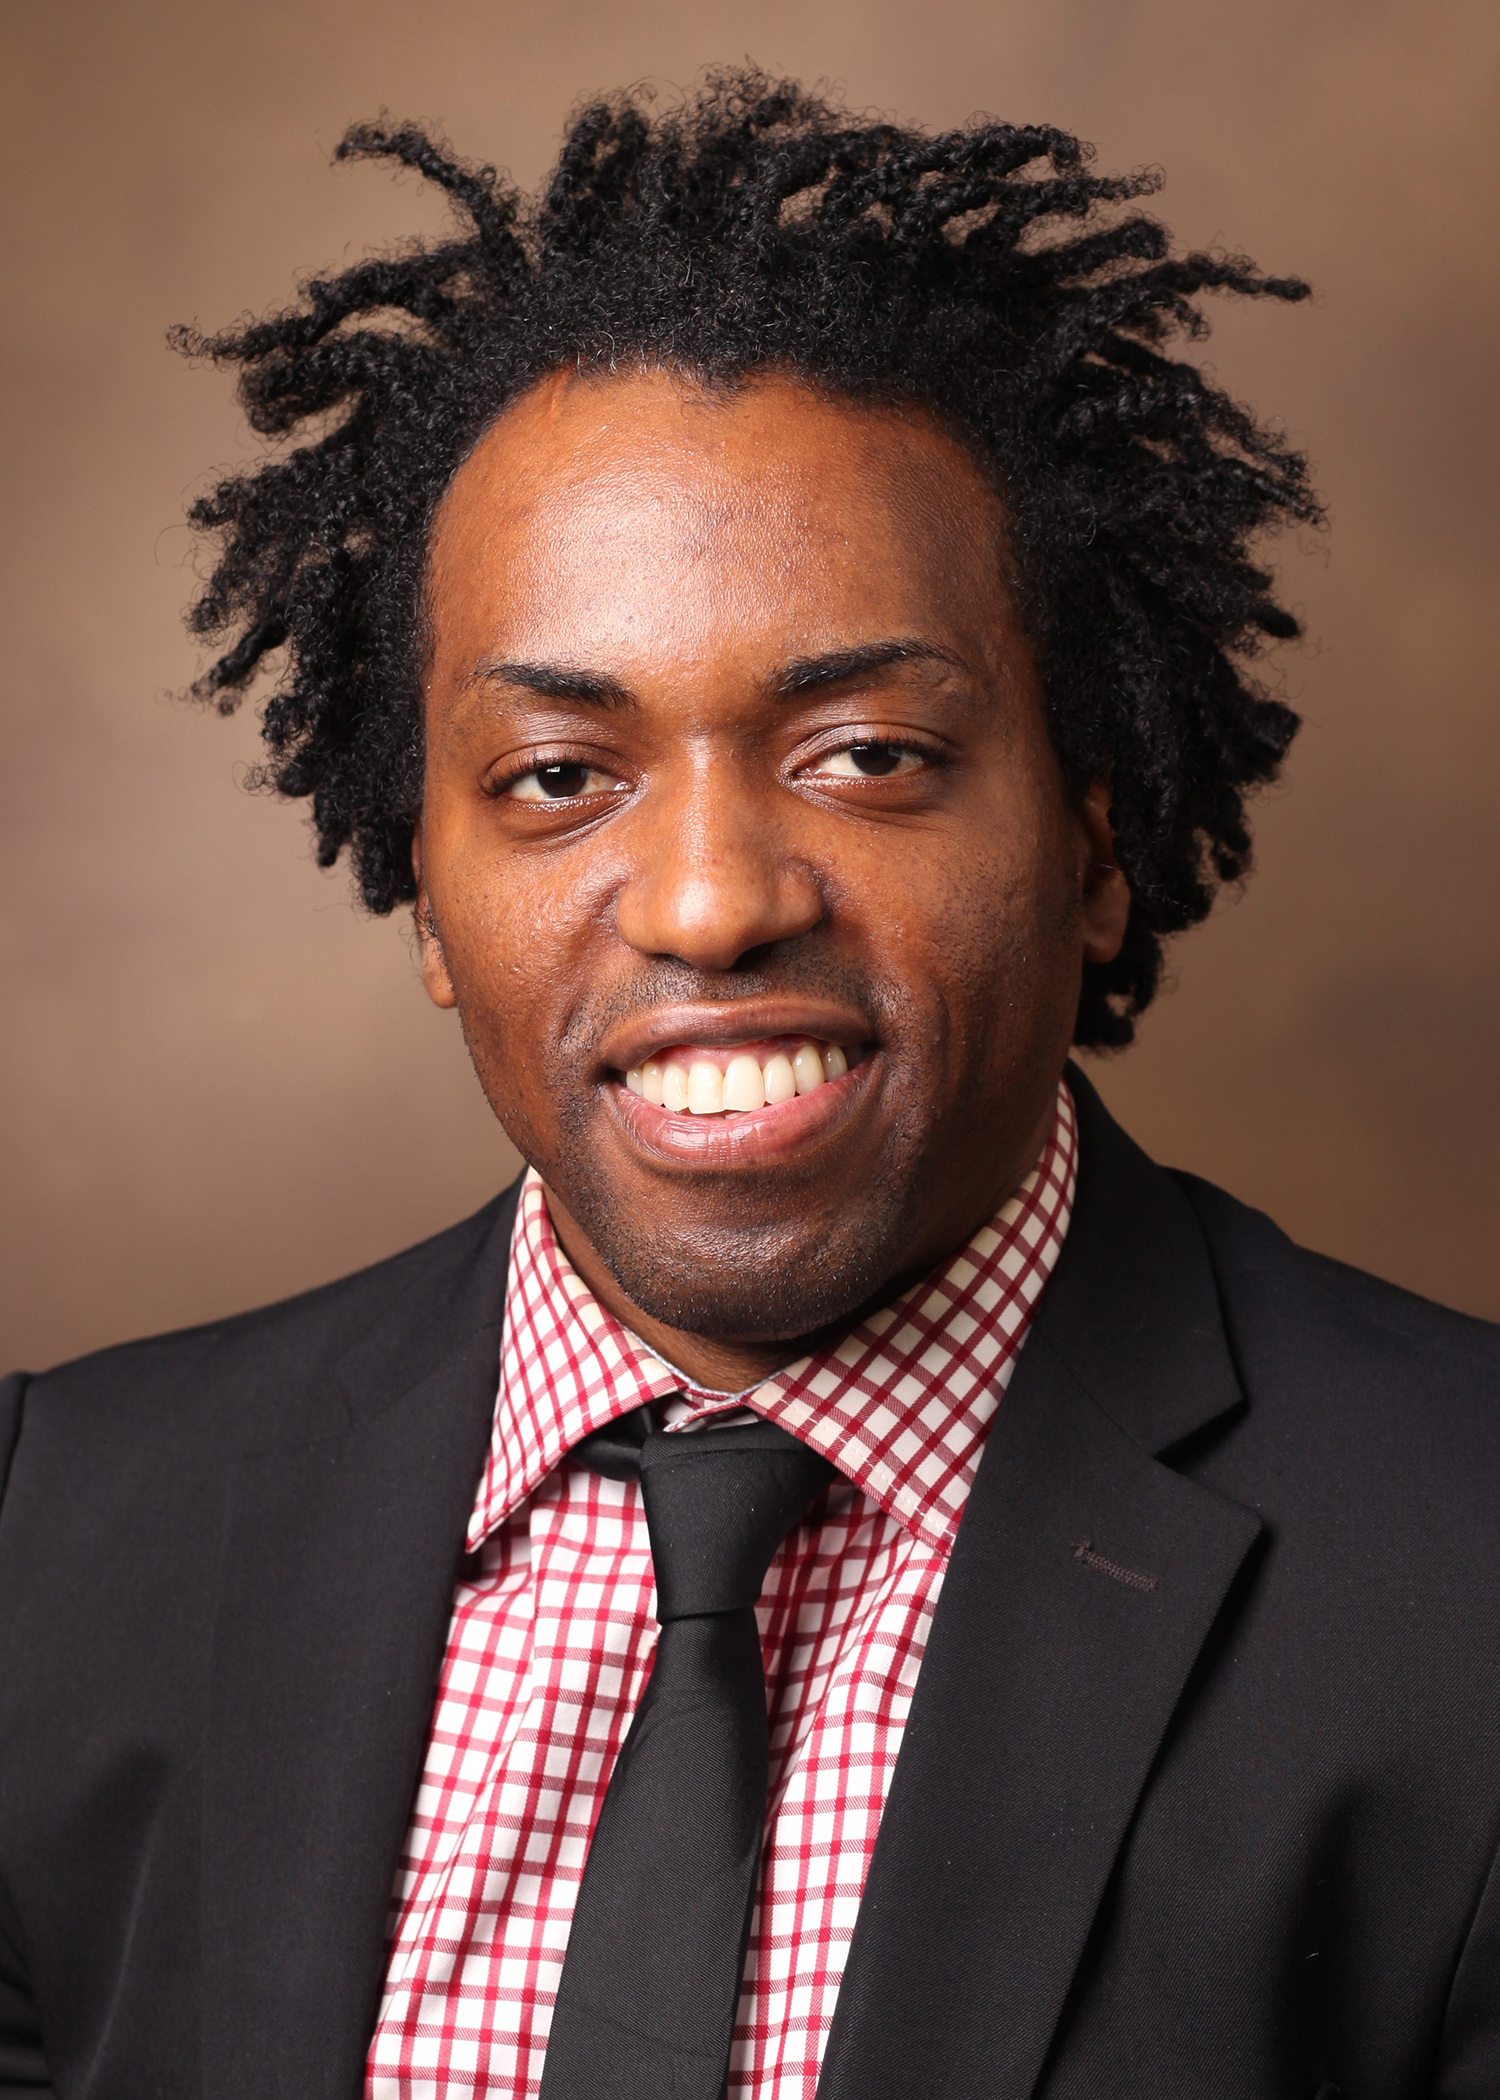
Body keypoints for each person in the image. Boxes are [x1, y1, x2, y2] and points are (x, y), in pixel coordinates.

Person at [0, 71, 1496, 2100]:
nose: (711, 903)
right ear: (425, 890)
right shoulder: (54, 1539)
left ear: (1095, 834)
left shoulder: (1464, 1569)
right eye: (559, 776)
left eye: (867, 754)